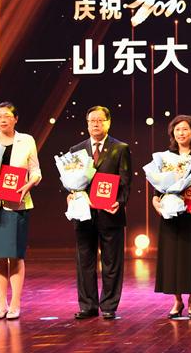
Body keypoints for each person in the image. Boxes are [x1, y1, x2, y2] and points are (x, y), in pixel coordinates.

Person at [68, 106, 132, 320]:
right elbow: (70, 179)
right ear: (87, 124)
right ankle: (88, 306)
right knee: (84, 261)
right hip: (84, 213)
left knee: (111, 262)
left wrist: (119, 202)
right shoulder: (76, 149)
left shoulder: (120, 148)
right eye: (92, 121)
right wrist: (71, 194)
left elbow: (125, 181)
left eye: (100, 120)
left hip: (110, 212)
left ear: (108, 123)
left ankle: (109, 306)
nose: (95, 124)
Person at [0, 101, 41, 320]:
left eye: (6, 116)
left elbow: (36, 171)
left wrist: (29, 185)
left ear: (16, 119)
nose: (2, 120)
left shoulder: (27, 140)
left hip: (17, 204)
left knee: (15, 255)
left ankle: (15, 304)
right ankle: (1, 305)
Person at [153, 114, 191, 319]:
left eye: (185, 129)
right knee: (172, 257)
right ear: (173, 133)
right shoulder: (166, 156)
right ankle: (177, 300)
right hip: (170, 213)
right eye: (177, 129)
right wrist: (156, 200)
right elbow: (159, 183)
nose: (181, 133)